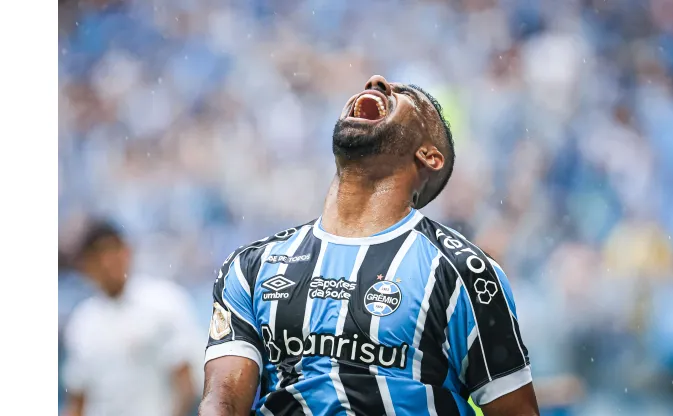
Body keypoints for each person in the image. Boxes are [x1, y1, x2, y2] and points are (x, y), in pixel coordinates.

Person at [200, 75, 539, 416]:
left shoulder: (463, 272)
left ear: (428, 155)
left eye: (407, 96)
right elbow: (223, 401)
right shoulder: (252, 267)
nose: (376, 80)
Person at [62, 220, 200, 416]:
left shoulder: (164, 302)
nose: (107, 263)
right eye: (97, 256)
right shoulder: (82, 323)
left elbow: (186, 385)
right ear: (86, 267)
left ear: (127, 251)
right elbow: (78, 400)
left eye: (112, 251)